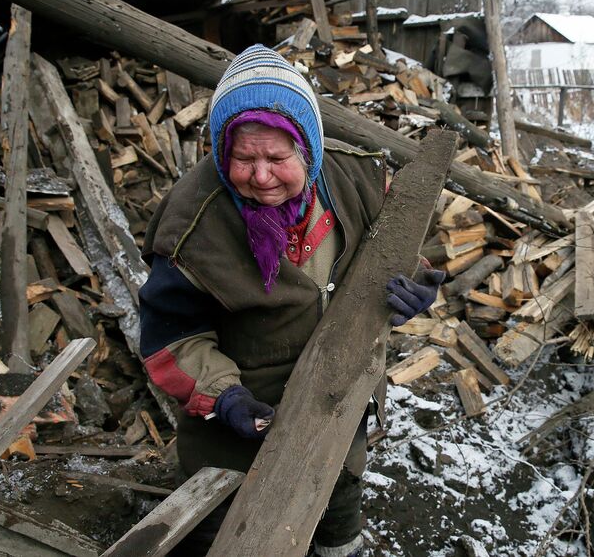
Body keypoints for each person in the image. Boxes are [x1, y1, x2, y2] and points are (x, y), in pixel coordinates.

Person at [138, 44, 444, 556]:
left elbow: (401, 253)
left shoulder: (358, 181)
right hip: (239, 421)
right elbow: (172, 338)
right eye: (243, 158)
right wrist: (223, 396)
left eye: (278, 158)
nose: (261, 177)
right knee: (229, 526)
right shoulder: (193, 225)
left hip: (339, 401)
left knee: (337, 496)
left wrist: (418, 284)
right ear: (220, 151)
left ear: (308, 150)